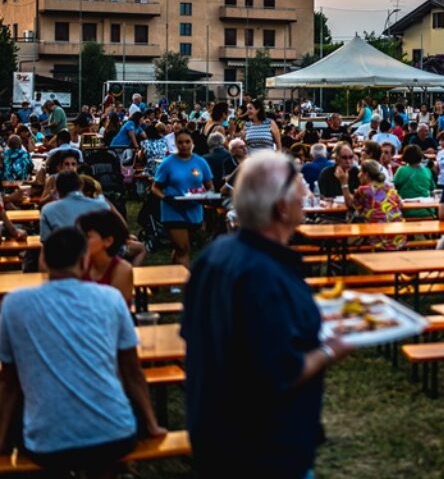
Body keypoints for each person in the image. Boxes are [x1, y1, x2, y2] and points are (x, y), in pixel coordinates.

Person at [182, 152, 351, 478]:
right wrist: (331, 349)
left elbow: (202, 336)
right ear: (281, 207)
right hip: (262, 447)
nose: (305, 193)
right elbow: (281, 372)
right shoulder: (265, 275)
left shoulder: (215, 254)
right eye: (298, 187)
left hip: (212, 430)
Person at [0, 227, 164, 475]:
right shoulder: (110, 298)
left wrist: (2, 440)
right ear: (84, 259)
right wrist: (152, 425)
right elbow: (132, 370)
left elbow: (10, 382)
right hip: (115, 434)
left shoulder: (14, 304)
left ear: (43, 259)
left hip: (47, 444)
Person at [151, 131, 214, 268]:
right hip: (172, 210)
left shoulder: (200, 162)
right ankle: (187, 284)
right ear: (175, 144)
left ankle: (173, 281)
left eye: (187, 142)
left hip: (193, 210)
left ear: (192, 143)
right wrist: (166, 198)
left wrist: (205, 196)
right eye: (180, 142)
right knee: (184, 248)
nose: (184, 145)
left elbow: (210, 186)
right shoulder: (168, 163)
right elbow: (155, 187)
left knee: (179, 248)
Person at [40, 171, 114, 244]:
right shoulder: (102, 205)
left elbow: (46, 242)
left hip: (62, 253)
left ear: (57, 189)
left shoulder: (48, 210)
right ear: (81, 186)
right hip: (94, 252)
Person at [79, 209, 134, 307]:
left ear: (108, 241)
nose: (80, 240)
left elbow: (114, 311)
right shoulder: (78, 265)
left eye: (87, 236)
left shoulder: (122, 270)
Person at [392, 145, 435, 218]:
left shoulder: (402, 170)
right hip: (427, 211)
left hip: (406, 211)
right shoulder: (427, 171)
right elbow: (432, 188)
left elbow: (392, 188)